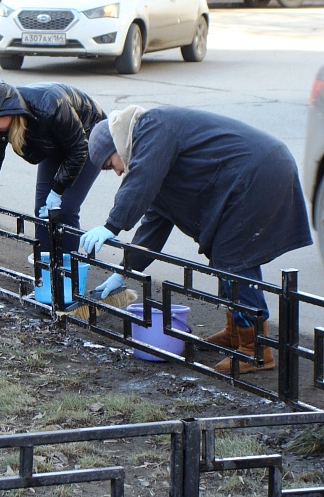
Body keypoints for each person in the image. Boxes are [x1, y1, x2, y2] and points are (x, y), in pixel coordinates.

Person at [81, 105, 313, 373]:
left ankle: (256, 350)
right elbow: (153, 228)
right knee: (227, 258)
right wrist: (123, 272)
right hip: (246, 178)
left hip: (259, 172)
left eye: (111, 165)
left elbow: (139, 184)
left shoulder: (152, 128)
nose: (118, 172)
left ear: (117, 144)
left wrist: (112, 225)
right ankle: (236, 333)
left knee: (233, 259)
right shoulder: (152, 155)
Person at [0, 80, 106, 252]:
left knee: (64, 209)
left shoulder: (49, 106)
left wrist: (57, 190)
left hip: (89, 138)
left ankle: (69, 271)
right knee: (42, 210)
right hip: (53, 143)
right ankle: (46, 268)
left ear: (7, 111)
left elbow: (78, 150)